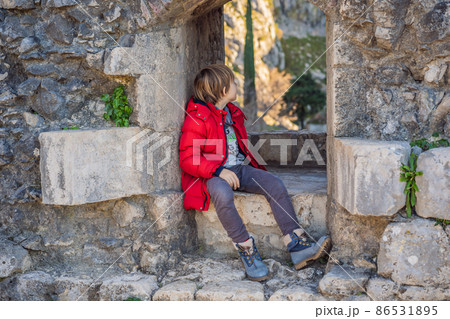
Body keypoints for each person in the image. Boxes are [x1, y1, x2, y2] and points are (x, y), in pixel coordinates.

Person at [179, 63, 331, 281]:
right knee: (222, 194)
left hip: (238, 168)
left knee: (274, 184)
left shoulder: (232, 112)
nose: (237, 84)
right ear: (222, 90)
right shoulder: (197, 117)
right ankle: (246, 248)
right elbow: (187, 158)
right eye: (233, 82)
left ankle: (297, 244)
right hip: (212, 174)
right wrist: (218, 170)